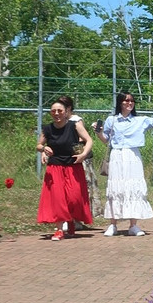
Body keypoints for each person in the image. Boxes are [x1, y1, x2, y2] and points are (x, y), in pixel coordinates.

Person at [94, 91, 153, 237]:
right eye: (126, 101)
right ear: (120, 103)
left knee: (134, 189)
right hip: (117, 155)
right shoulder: (111, 120)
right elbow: (106, 140)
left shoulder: (139, 120)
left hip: (133, 156)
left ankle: (133, 225)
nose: (129, 103)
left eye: (131, 101)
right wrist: (98, 132)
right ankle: (113, 225)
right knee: (116, 189)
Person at [36, 97, 94, 240]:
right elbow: (38, 145)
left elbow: (89, 140)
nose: (56, 113)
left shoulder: (74, 125)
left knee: (74, 198)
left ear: (66, 111)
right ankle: (59, 229)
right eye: (53, 111)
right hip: (55, 167)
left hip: (73, 166)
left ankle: (71, 220)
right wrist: (44, 149)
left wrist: (84, 154)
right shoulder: (47, 129)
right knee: (58, 198)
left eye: (59, 110)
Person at [59, 95, 101, 223]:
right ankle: (67, 218)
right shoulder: (60, 121)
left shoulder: (76, 120)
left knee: (82, 187)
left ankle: (77, 219)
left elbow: (83, 138)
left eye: (62, 108)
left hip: (79, 158)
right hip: (64, 158)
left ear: (69, 108)